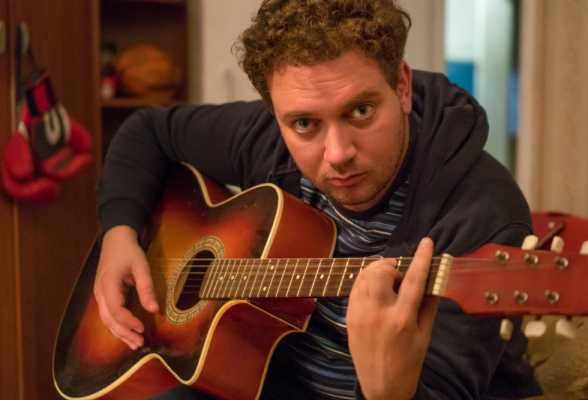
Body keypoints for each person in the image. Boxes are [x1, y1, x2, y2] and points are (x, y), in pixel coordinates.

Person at [93, 0, 542, 398]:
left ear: (402, 87)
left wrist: (390, 391)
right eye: (305, 125)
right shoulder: (266, 137)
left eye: (361, 111)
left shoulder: (483, 212)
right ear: (276, 115)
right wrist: (119, 233)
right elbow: (146, 132)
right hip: (265, 377)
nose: (338, 153)